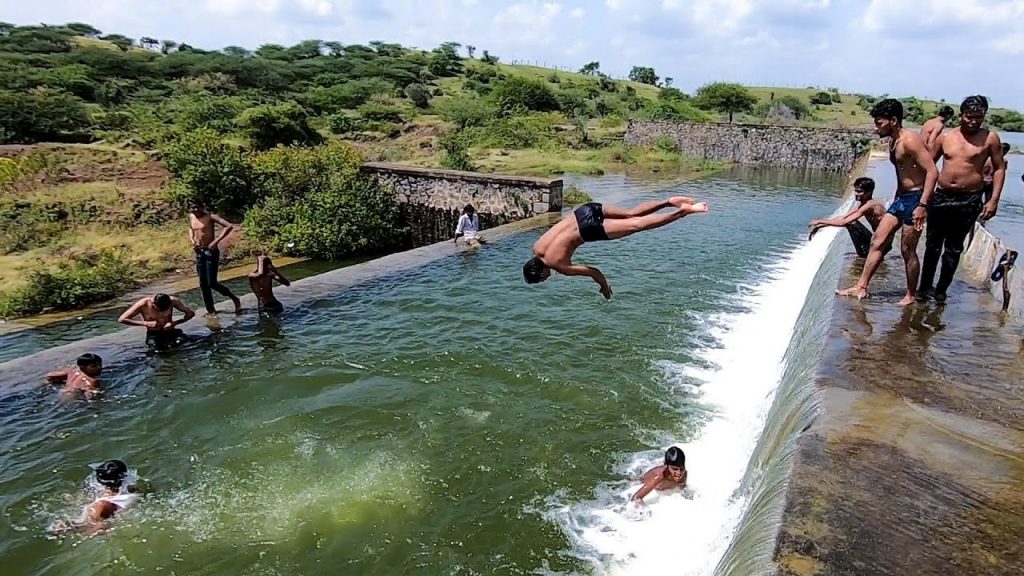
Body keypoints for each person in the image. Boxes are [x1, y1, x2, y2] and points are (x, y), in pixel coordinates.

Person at [837, 99, 938, 305]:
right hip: (902, 199)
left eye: (879, 123)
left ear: (893, 120)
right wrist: (898, 195)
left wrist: (922, 205)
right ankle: (861, 286)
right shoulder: (893, 140)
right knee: (878, 240)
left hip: (917, 199)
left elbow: (932, 172)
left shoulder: (910, 140)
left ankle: (910, 295)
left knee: (907, 250)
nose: (876, 128)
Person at [523, 197, 709, 299]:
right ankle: (668, 202)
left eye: (541, 280)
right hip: (583, 211)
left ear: (540, 274)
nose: (545, 280)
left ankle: (683, 212)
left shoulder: (559, 267)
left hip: (587, 230)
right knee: (632, 213)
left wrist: (604, 286)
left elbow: (594, 272)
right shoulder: (536, 246)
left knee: (637, 225)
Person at [919, 95, 1006, 303]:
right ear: (961, 116)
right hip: (941, 197)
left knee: (954, 248)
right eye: (969, 117)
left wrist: (993, 200)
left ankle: (941, 290)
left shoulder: (990, 138)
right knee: (932, 245)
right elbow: (929, 166)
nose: (974, 121)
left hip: (969, 200)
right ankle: (924, 288)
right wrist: (922, 198)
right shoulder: (946, 137)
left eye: (978, 117)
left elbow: (999, 168)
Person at [49, 459, 139, 536]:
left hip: (97, 521)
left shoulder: (101, 504)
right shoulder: (130, 487)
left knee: (60, 526)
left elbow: (98, 524)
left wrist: (83, 533)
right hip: (112, 513)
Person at [808, 177, 890, 258]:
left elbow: (844, 222)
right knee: (851, 222)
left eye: (859, 191)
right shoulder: (864, 204)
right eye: (855, 190)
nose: (856, 194)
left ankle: (864, 254)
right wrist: (820, 226)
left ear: (868, 192)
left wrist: (820, 221)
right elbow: (843, 217)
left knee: (851, 223)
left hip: (882, 245)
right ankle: (863, 253)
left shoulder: (870, 205)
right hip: (879, 242)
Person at [188, 202, 242, 315]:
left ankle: (234, 298)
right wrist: (192, 239)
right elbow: (190, 228)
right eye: (193, 207)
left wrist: (215, 241)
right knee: (203, 284)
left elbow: (229, 226)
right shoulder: (191, 216)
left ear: (202, 207)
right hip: (199, 252)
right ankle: (210, 310)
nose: (196, 209)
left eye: (198, 207)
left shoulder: (210, 216)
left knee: (212, 282)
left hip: (210, 251)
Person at [118, 293, 195, 350]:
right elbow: (122, 319)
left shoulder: (173, 301)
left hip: (170, 331)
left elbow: (190, 313)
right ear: (153, 304)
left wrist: (174, 323)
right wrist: (146, 323)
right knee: (155, 350)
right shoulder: (143, 304)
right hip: (154, 334)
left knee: (184, 343)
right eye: (159, 309)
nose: (161, 312)